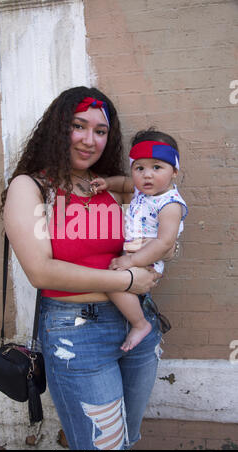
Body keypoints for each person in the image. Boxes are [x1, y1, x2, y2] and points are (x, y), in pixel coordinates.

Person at [0, 87, 168, 451]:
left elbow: (162, 206)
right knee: (104, 450)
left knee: (127, 438)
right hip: (77, 333)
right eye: (79, 126)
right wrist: (126, 279)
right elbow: (41, 272)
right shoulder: (31, 187)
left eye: (101, 131)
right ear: (59, 128)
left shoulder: (112, 187)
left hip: (140, 326)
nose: (90, 140)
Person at [90, 129, 188, 352]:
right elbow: (125, 183)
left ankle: (140, 324)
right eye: (140, 168)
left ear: (174, 171)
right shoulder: (142, 191)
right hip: (135, 255)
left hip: (149, 260)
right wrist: (107, 183)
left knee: (113, 283)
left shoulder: (169, 204)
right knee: (116, 281)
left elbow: (164, 243)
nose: (147, 175)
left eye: (157, 167)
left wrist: (132, 262)